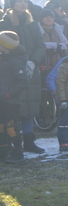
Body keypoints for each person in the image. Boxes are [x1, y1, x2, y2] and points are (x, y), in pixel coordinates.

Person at [0, 0, 46, 154]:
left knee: (29, 106)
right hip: (10, 72)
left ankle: (28, 140)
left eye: (25, 1)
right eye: (20, 1)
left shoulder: (33, 24)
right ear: (12, 4)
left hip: (31, 71)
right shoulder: (4, 23)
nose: (24, 4)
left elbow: (41, 45)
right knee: (11, 110)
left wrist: (33, 62)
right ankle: (10, 143)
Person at [0, 31, 28, 163]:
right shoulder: (3, 58)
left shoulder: (15, 61)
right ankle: (4, 151)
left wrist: (9, 93)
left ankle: (18, 151)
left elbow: (23, 81)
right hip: (2, 100)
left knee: (12, 127)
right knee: (1, 126)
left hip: (10, 101)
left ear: (5, 46)